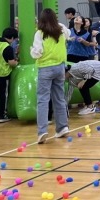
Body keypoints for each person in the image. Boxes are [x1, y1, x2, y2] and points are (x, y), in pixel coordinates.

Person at [31, 9, 70, 144]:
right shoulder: (62, 29)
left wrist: (31, 51)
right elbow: (69, 35)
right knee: (59, 98)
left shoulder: (39, 34)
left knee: (42, 100)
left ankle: (42, 131)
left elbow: (37, 52)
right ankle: (62, 127)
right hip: (60, 67)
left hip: (45, 68)